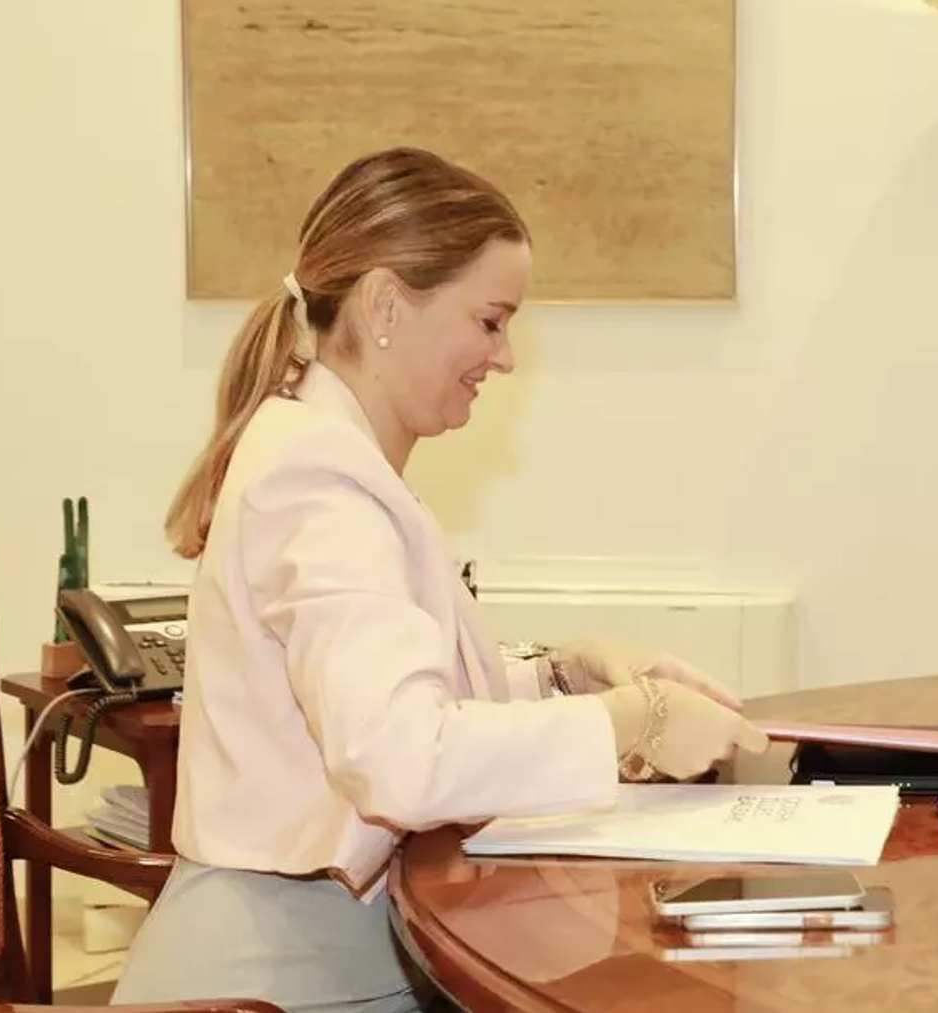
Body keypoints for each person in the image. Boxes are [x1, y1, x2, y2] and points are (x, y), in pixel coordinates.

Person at [113, 148, 768, 1011]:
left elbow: (406, 698)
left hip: (335, 951)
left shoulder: (330, 458)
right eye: (491, 321)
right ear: (386, 304)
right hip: (290, 979)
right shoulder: (317, 480)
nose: (504, 358)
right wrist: (630, 720)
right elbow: (400, 759)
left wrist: (561, 676)